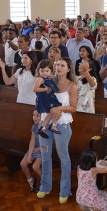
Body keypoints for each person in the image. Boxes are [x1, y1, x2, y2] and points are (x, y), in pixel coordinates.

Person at [36, 57, 78, 204]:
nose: (59, 67)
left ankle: (64, 190)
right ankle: (45, 186)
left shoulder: (72, 86)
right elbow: (39, 97)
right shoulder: (48, 80)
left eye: (62, 65)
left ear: (68, 69)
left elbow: (73, 108)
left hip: (62, 125)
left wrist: (60, 108)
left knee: (63, 157)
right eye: (58, 65)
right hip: (45, 123)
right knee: (45, 155)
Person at [33, 60, 61, 137]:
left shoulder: (48, 77)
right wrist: (45, 89)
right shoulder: (40, 79)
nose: (44, 73)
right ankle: (52, 126)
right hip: (44, 99)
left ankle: (44, 128)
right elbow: (35, 89)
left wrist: (55, 64)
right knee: (54, 111)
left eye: (47, 71)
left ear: (50, 71)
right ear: (39, 70)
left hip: (49, 98)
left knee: (52, 113)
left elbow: (54, 75)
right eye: (42, 71)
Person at [20, 109, 43, 192]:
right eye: (33, 115)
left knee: (35, 167)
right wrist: (29, 154)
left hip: (42, 150)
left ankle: (44, 181)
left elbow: (47, 143)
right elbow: (32, 141)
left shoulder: (45, 127)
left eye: (37, 116)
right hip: (34, 149)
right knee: (23, 164)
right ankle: (30, 180)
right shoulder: (34, 127)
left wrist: (38, 148)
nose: (35, 118)